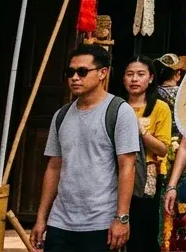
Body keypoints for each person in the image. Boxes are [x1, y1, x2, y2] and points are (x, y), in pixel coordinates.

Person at [32, 45, 140, 252]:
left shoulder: (119, 111)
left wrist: (122, 218)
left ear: (102, 73)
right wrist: (41, 218)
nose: (74, 78)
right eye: (70, 72)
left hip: (100, 222)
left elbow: (128, 166)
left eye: (82, 72)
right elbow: (54, 167)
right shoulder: (61, 115)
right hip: (60, 220)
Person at [119, 56, 172, 252]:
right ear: (123, 78)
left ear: (150, 78)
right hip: (116, 175)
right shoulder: (116, 106)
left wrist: (142, 132)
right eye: (130, 74)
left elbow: (163, 148)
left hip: (147, 178)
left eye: (140, 74)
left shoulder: (160, 108)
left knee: (142, 232)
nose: (134, 79)